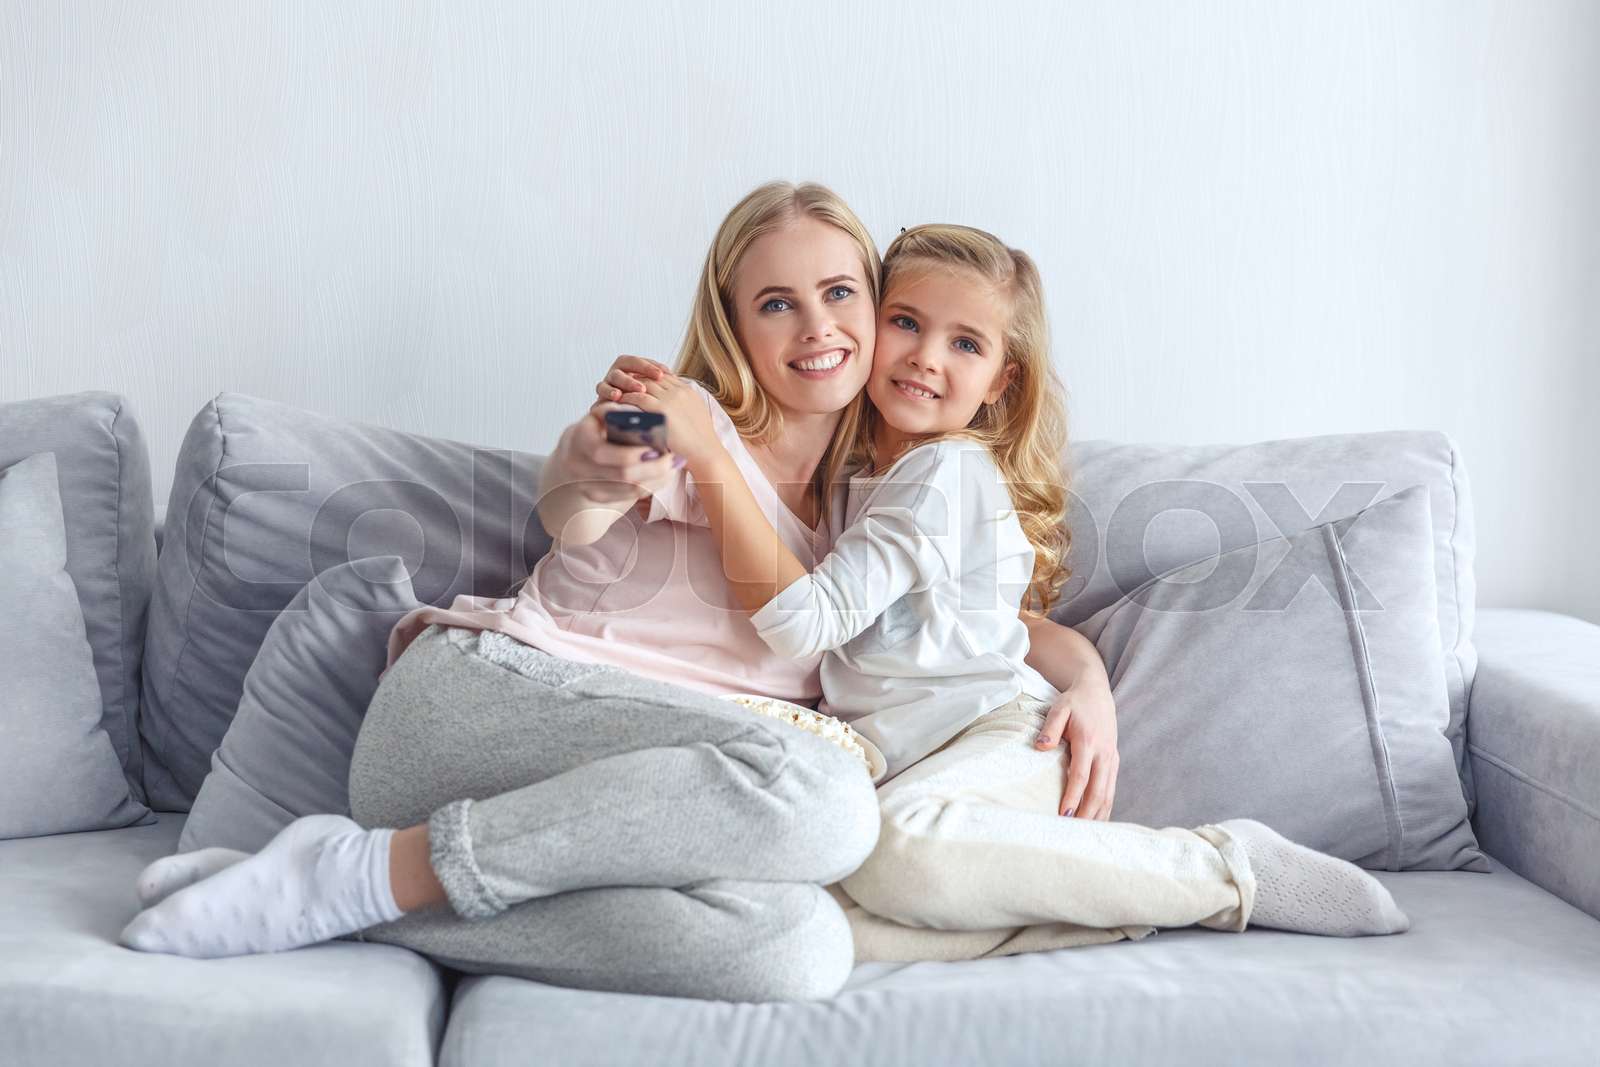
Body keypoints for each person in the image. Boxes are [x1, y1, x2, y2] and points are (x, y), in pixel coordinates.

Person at [115, 181, 1120, 999]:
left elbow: (1002, 629)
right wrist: (601, 457)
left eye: (840, 293)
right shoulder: (684, 422)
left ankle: (338, 888)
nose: (817, 326)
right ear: (734, 326)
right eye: (777, 303)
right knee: (825, 798)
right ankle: (372, 869)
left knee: (800, 944)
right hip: (475, 714)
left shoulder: (873, 512)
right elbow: (579, 491)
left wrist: (1088, 685)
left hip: (603, 807)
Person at [611, 222, 1411, 958]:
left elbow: (803, 621)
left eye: (965, 343)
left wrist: (705, 454)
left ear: (1000, 380)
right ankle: (1108, 910)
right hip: (921, 767)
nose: (927, 356)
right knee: (819, 917)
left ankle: (1223, 869)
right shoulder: (859, 476)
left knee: (900, 846)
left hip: (999, 741)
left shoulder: (943, 472)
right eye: (907, 322)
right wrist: (632, 425)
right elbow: (1006, 624)